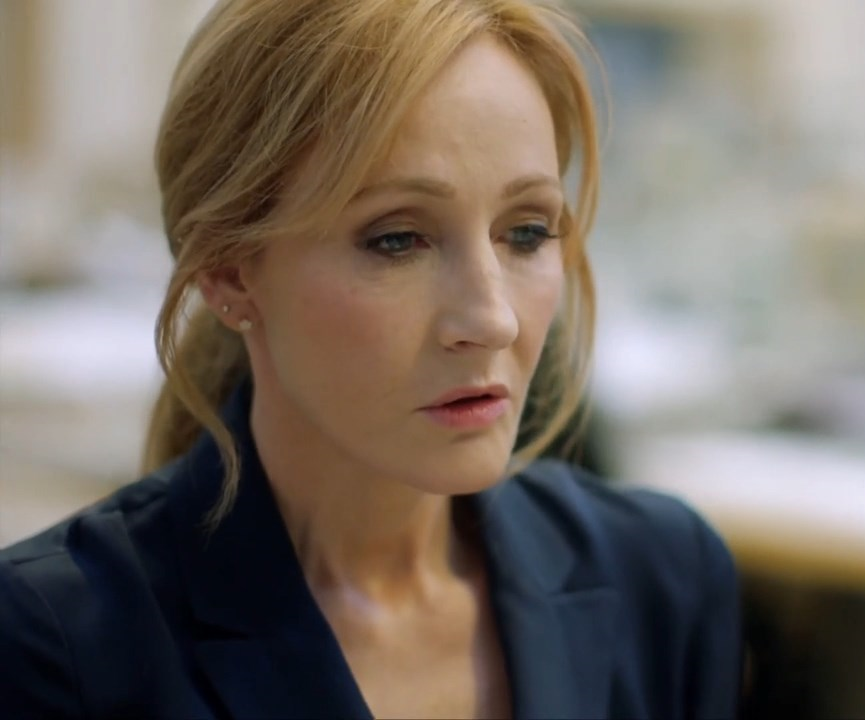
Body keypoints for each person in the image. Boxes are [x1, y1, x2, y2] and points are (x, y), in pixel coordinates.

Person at [0, 1, 742, 717]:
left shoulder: (663, 581)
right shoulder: (53, 647)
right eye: (397, 239)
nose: (493, 320)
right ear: (228, 272)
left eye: (526, 232)